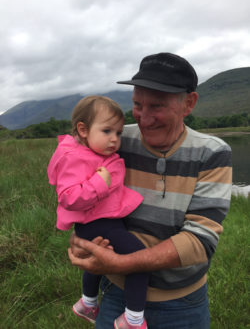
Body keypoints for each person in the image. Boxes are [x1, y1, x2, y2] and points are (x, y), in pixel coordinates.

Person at [68, 52, 232, 329]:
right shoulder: (116, 140)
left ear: (188, 103)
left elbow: (201, 240)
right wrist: (82, 240)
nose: (144, 118)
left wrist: (124, 264)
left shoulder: (212, 153)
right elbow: (79, 188)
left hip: (182, 304)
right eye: (137, 104)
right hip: (117, 295)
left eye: (156, 106)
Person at [47, 96, 150, 328]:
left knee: (97, 260)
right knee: (140, 259)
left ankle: (88, 302)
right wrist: (99, 183)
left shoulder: (92, 153)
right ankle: (133, 319)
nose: (114, 139)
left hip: (98, 223)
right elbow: (68, 197)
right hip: (98, 222)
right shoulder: (74, 157)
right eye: (107, 131)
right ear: (83, 130)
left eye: (119, 133)